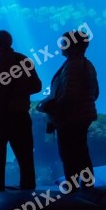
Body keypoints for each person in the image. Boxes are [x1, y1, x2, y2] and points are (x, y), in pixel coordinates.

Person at [0, 30, 42, 192]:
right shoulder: (23, 60)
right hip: (20, 117)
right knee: (26, 160)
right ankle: (28, 197)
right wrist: (19, 90)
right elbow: (37, 86)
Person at [37, 29, 98, 189]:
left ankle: (71, 185)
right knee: (81, 151)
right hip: (83, 116)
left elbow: (70, 95)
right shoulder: (87, 64)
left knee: (69, 153)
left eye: (64, 43)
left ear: (73, 46)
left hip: (71, 118)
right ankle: (87, 184)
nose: (61, 46)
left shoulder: (72, 65)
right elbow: (95, 92)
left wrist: (52, 107)